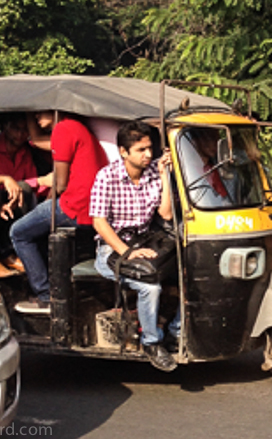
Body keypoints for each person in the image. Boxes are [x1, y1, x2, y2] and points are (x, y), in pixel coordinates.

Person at [89, 120, 179, 372]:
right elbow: (99, 222)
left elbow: (166, 214)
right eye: (141, 150)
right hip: (112, 250)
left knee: (189, 270)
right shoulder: (106, 177)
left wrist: (164, 176)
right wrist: (127, 253)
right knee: (149, 286)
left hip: (145, 243)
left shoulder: (152, 173)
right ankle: (152, 343)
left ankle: (175, 330)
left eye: (150, 148)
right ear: (123, 152)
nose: (148, 154)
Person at [11, 111, 108, 313]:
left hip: (75, 204)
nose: (37, 116)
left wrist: (44, 205)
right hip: (92, 205)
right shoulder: (76, 128)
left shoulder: (63, 129)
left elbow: (61, 184)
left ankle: (45, 295)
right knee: (38, 221)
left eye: (41, 111)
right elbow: (37, 141)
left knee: (18, 233)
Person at [0, 113, 52, 278]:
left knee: (24, 188)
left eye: (25, 130)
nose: (20, 135)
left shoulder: (26, 152)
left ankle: (16, 251)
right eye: (16, 129)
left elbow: (28, 184)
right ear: (6, 127)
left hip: (12, 200)